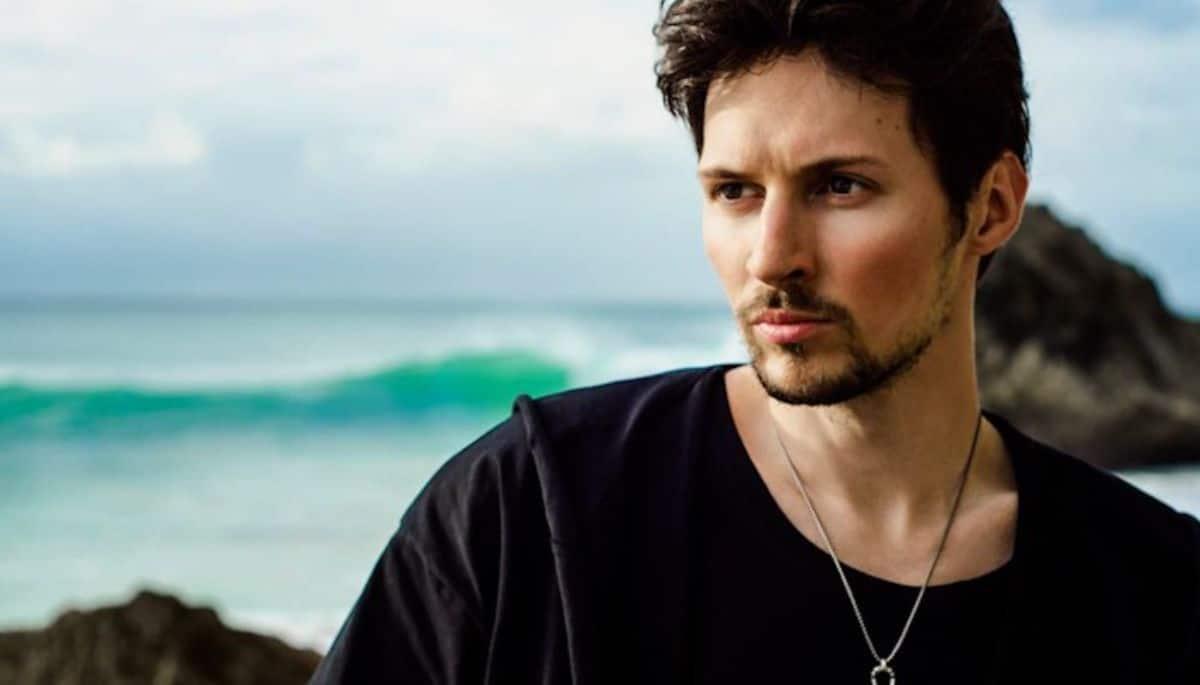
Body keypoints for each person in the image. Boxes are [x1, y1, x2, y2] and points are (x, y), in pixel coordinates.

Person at [310, 1, 1200, 682]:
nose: (772, 257)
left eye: (840, 186)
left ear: (992, 207)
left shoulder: (1160, 596)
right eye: (735, 191)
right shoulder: (530, 514)